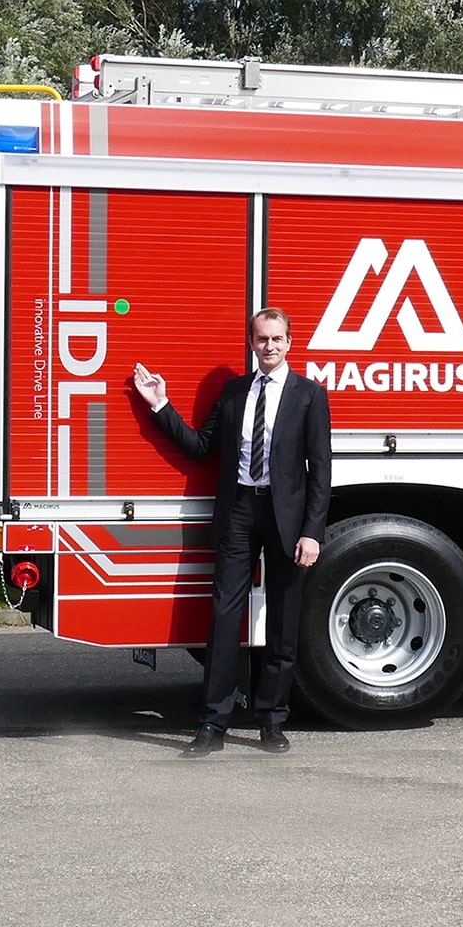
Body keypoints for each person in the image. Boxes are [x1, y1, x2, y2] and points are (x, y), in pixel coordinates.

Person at [132, 308, 331, 757]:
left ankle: (272, 721)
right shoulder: (235, 392)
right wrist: (160, 404)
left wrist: (312, 531)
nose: (270, 346)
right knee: (224, 618)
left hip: (286, 519)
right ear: (251, 342)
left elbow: (321, 470)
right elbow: (201, 447)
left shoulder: (309, 396)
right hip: (239, 510)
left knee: (282, 622)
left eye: (278, 338)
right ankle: (212, 723)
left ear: (290, 343)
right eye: (262, 339)